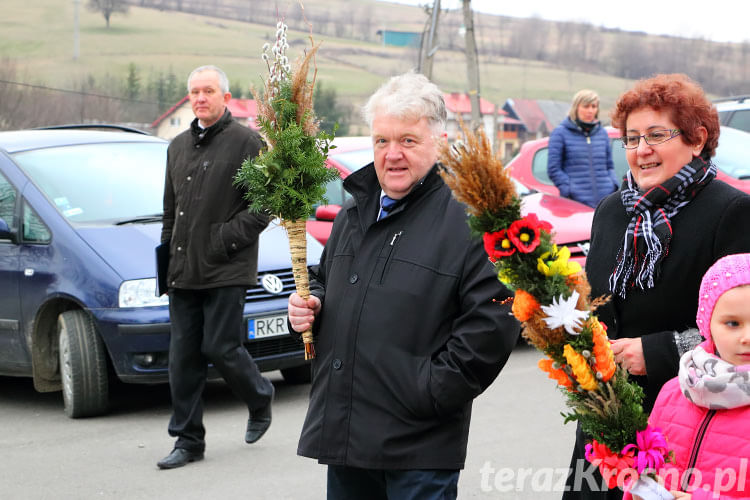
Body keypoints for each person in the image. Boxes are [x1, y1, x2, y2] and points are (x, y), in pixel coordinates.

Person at [287, 71, 519, 499]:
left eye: (408, 141)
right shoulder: (351, 217)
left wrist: (427, 392)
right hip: (346, 437)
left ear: (440, 143)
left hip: (419, 448)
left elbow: (494, 321)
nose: (392, 154)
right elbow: (322, 283)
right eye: (382, 141)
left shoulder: (471, 219)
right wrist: (311, 305)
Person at [562, 74, 750, 499]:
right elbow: (599, 304)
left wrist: (658, 351)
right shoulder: (611, 210)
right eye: (631, 138)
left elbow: (742, 329)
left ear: (697, 139)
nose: (641, 150)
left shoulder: (732, 213)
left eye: (657, 135)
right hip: (603, 419)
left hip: (684, 426)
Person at [156, 65, 274, 470]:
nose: (200, 98)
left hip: (227, 266)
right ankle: (188, 441)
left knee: (220, 346)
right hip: (184, 269)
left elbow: (265, 204)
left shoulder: (247, 142)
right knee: (183, 358)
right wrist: (168, 257)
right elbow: (171, 210)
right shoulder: (176, 147)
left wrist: (225, 239)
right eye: (194, 92)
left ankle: (259, 396)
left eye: (208, 90)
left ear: (225, 96)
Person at [641, 253, 750, 500]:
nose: (747, 337)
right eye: (732, 323)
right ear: (707, 324)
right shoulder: (673, 391)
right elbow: (650, 465)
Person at [547, 89, 618, 208]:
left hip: (604, 203)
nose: (590, 110)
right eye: (586, 106)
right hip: (575, 204)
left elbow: (609, 166)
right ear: (576, 108)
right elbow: (553, 169)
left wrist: (613, 185)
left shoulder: (602, 133)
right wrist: (568, 189)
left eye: (594, 106)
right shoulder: (560, 133)